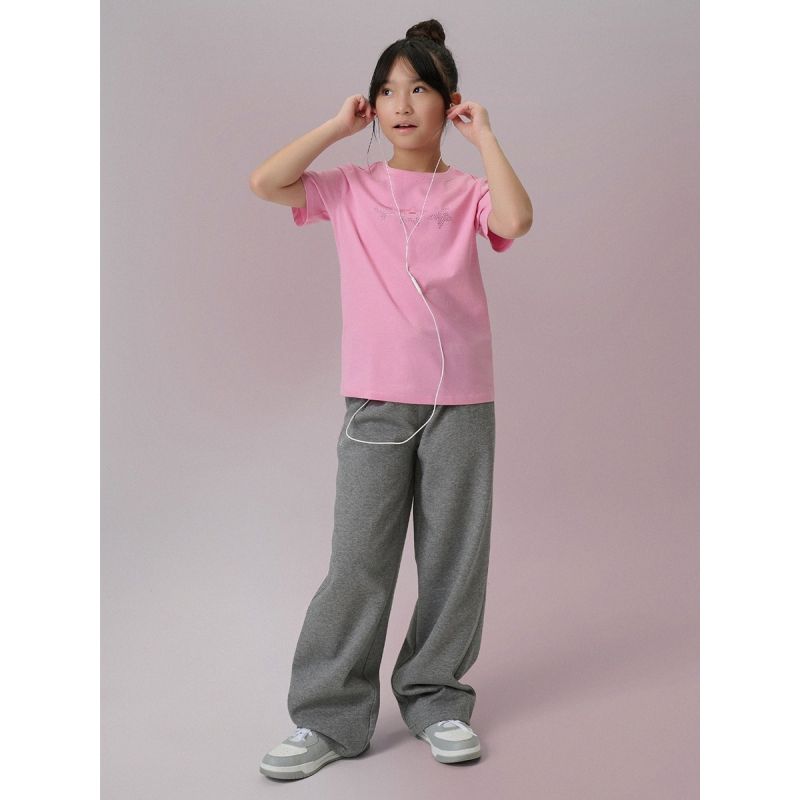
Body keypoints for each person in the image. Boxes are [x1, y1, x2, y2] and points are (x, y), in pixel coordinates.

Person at [249, 18, 533, 780]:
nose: (401, 105)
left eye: (419, 89)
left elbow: (516, 220)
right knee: (357, 564)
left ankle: (437, 700)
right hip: (377, 404)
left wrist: (486, 137)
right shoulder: (351, 188)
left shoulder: (468, 193)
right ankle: (328, 717)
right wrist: (333, 129)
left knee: (454, 562)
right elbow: (266, 182)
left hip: (462, 403)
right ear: (371, 106)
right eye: (387, 91)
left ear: (450, 102)